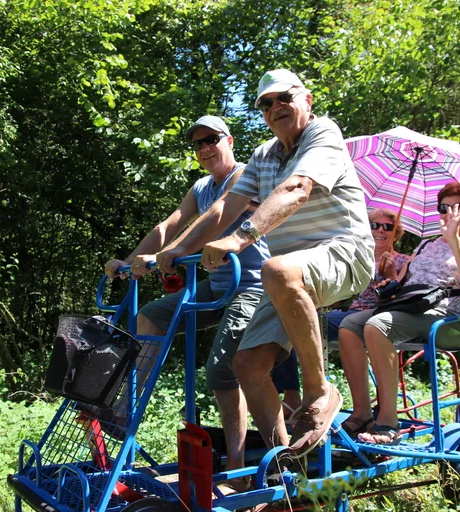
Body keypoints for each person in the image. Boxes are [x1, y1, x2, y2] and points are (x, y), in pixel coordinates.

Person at [157, 69, 374, 460]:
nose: (275, 108)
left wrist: (240, 238)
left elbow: (297, 188)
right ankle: (286, 464)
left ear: (306, 99)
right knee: (247, 365)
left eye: (284, 98)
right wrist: (178, 247)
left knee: (276, 269)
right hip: (290, 274)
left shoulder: (323, 133)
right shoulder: (263, 155)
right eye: (265, 103)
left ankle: (319, 392)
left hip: (345, 252)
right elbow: (227, 206)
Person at [105, 115, 270, 479]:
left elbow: (216, 216)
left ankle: (238, 469)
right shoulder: (200, 187)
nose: (205, 148)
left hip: (253, 285)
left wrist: (175, 252)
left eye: (212, 139)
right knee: (150, 315)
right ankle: (124, 410)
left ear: (230, 140)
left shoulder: (247, 175)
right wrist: (129, 263)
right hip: (217, 285)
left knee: (221, 370)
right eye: (198, 143)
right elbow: (169, 225)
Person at [338, 182, 460, 444]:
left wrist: (455, 241)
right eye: (443, 207)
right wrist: (390, 275)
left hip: (453, 319)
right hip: (413, 308)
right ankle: (362, 413)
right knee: (349, 325)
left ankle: (388, 422)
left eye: (457, 207)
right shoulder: (426, 245)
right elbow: (401, 284)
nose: (449, 212)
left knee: (378, 326)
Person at [271, 207, 410, 426]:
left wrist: (391, 276)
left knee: (301, 321)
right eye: (374, 225)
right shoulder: (356, 256)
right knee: (286, 318)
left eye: (388, 227)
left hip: (376, 317)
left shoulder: (403, 261)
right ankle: (291, 393)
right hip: (344, 313)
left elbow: (401, 301)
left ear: (397, 232)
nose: (380, 231)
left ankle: (317, 396)